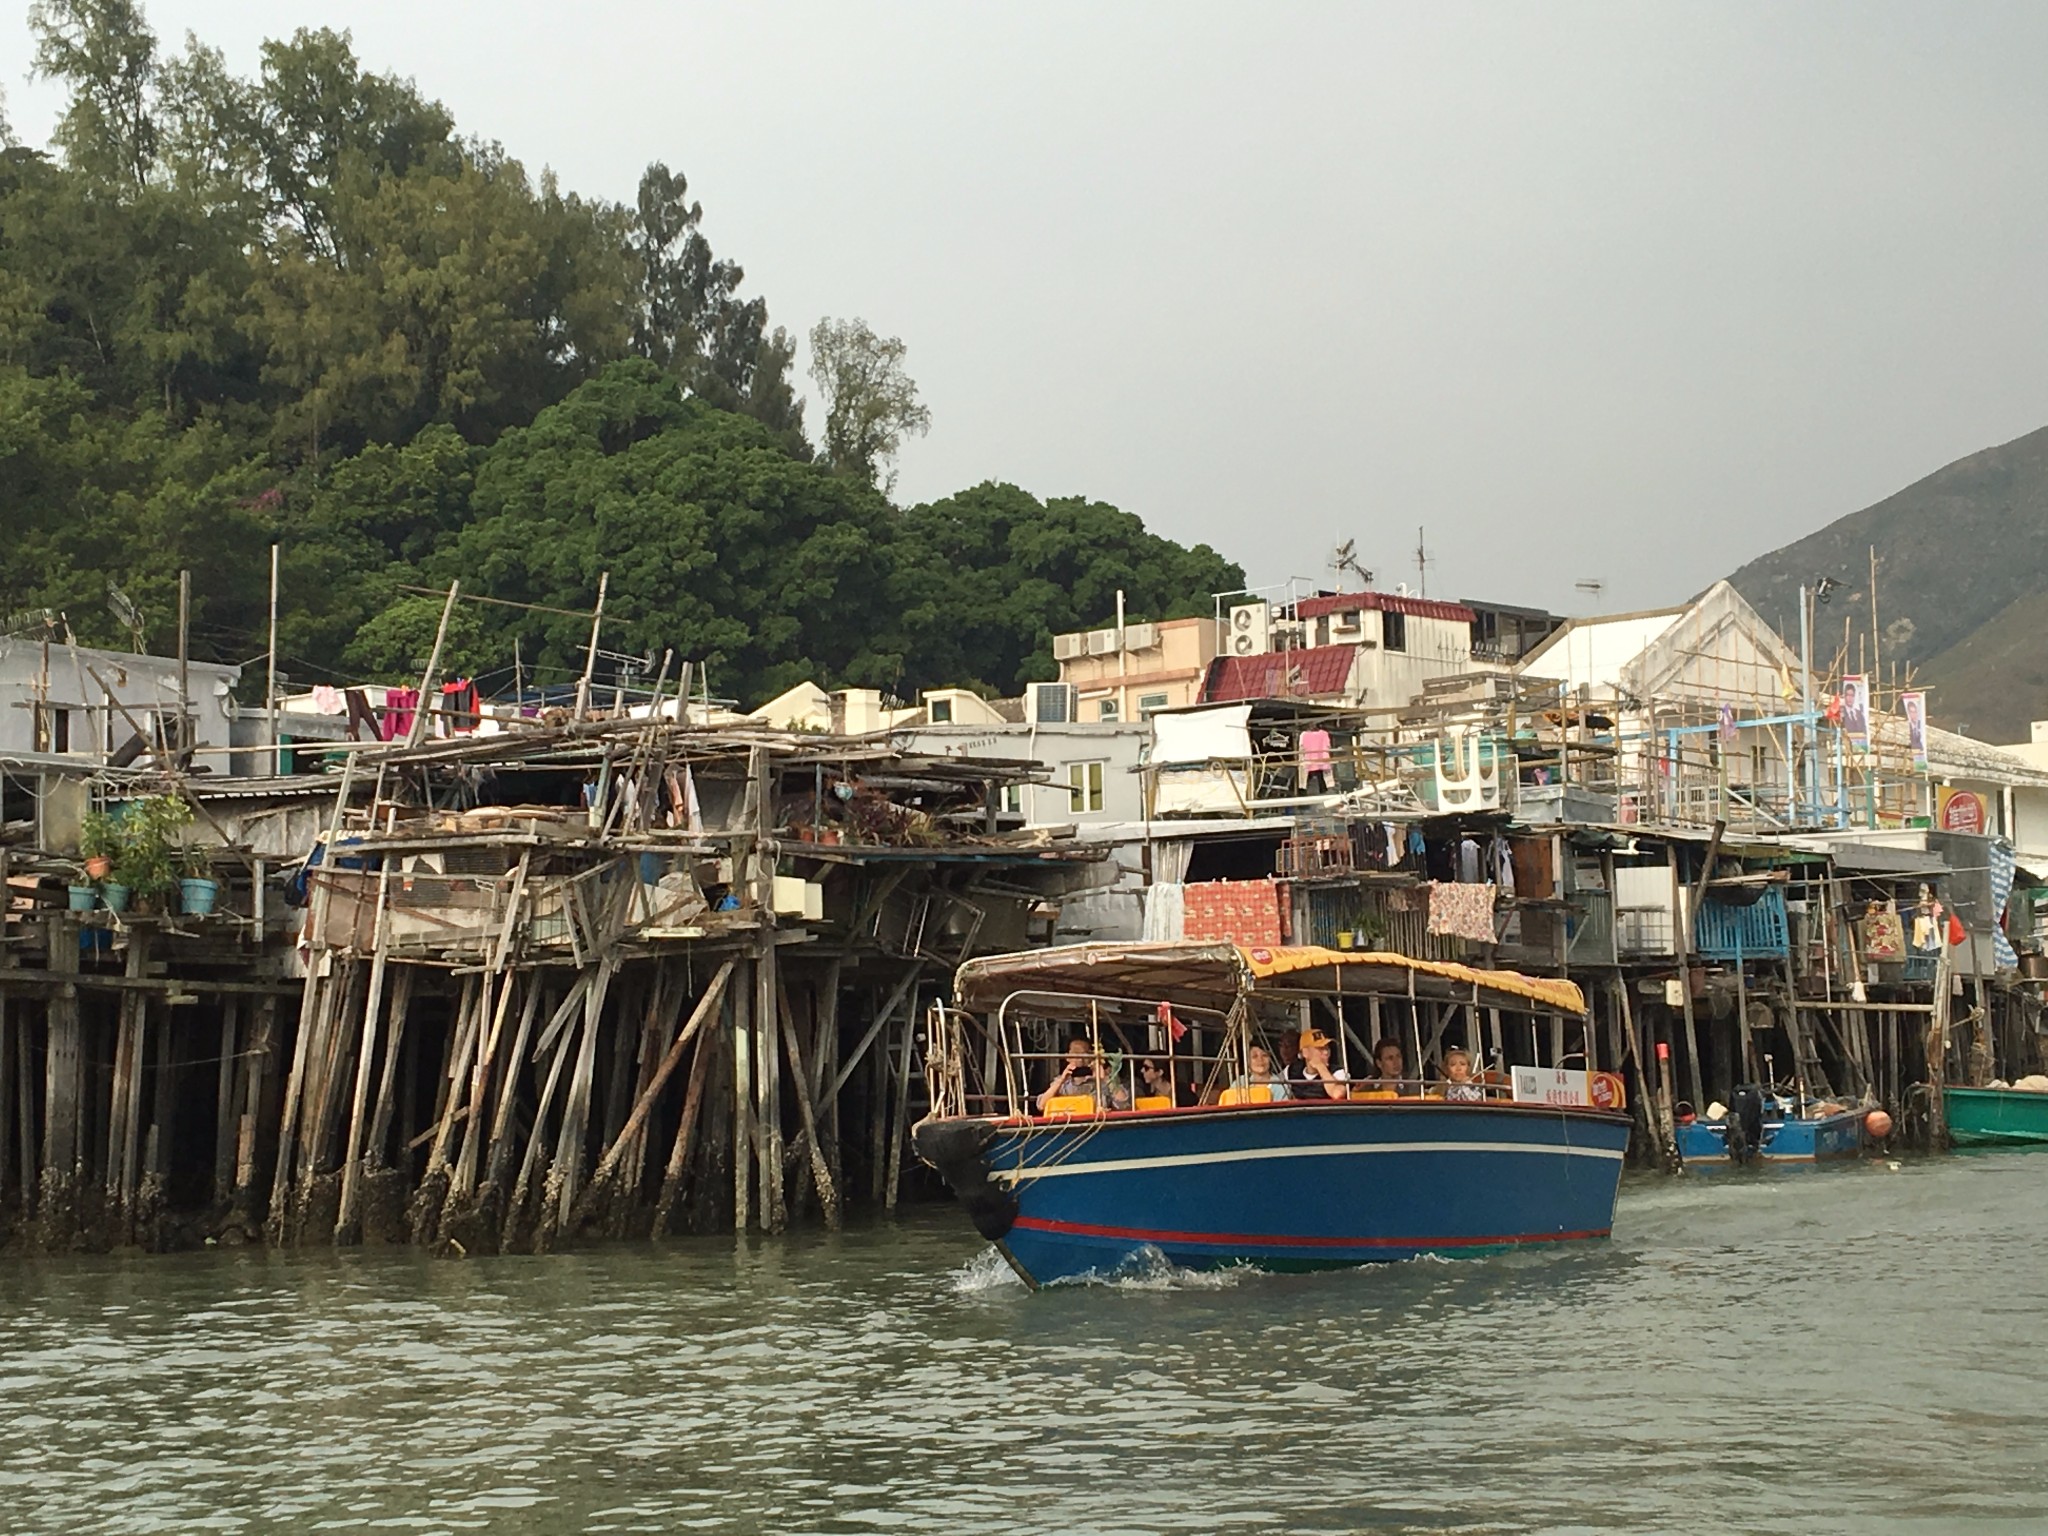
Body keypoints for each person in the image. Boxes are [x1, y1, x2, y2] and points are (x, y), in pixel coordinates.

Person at [1037, 1039, 1131, 1112]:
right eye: (1076, 1053)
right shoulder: (1061, 1084)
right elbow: (1041, 1105)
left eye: (1084, 1054)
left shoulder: (1102, 1082)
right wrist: (1062, 1079)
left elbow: (1124, 1106)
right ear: (1067, 1056)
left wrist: (1106, 1078)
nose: (1080, 1059)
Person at [1286, 1027, 1350, 1100]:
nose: (1326, 1052)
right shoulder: (1291, 1071)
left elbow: (1337, 1094)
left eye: (1327, 1048)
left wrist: (1321, 1068)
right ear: (1305, 1052)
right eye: (1320, 1048)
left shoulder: (1338, 1072)